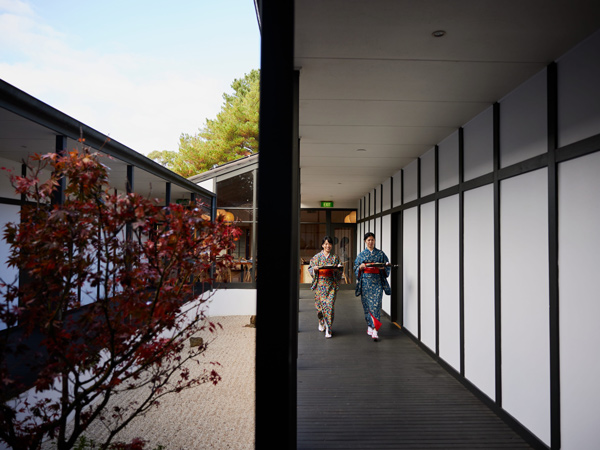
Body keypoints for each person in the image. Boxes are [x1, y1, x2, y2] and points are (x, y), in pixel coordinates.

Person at [354, 232, 391, 341]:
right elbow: (355, 267)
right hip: (365, 282)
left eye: (372, 240)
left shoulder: (380, 254)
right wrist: (360, 268)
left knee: (376, 305)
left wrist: (383, 268)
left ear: (374, 241)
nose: (370, 242)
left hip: (377, 282)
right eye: (368, 240)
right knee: (367, 306)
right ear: (365, 241)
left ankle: (375, 329)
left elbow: (386, 265)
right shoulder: (361, 255)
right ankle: (370, 325)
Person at [308, 236, 342, 338]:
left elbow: (339, 270)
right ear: (322, 245)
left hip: (331, 284)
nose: (328, 246)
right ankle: (321, 321)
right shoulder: (316, 257)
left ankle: (329, 328)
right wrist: (314, 269)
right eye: (326, 244)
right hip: (321, 284)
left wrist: (338, 269)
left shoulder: (335, 257)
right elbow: (310, 268)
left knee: (330, 306)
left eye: (329, 244)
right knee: (320, 307)